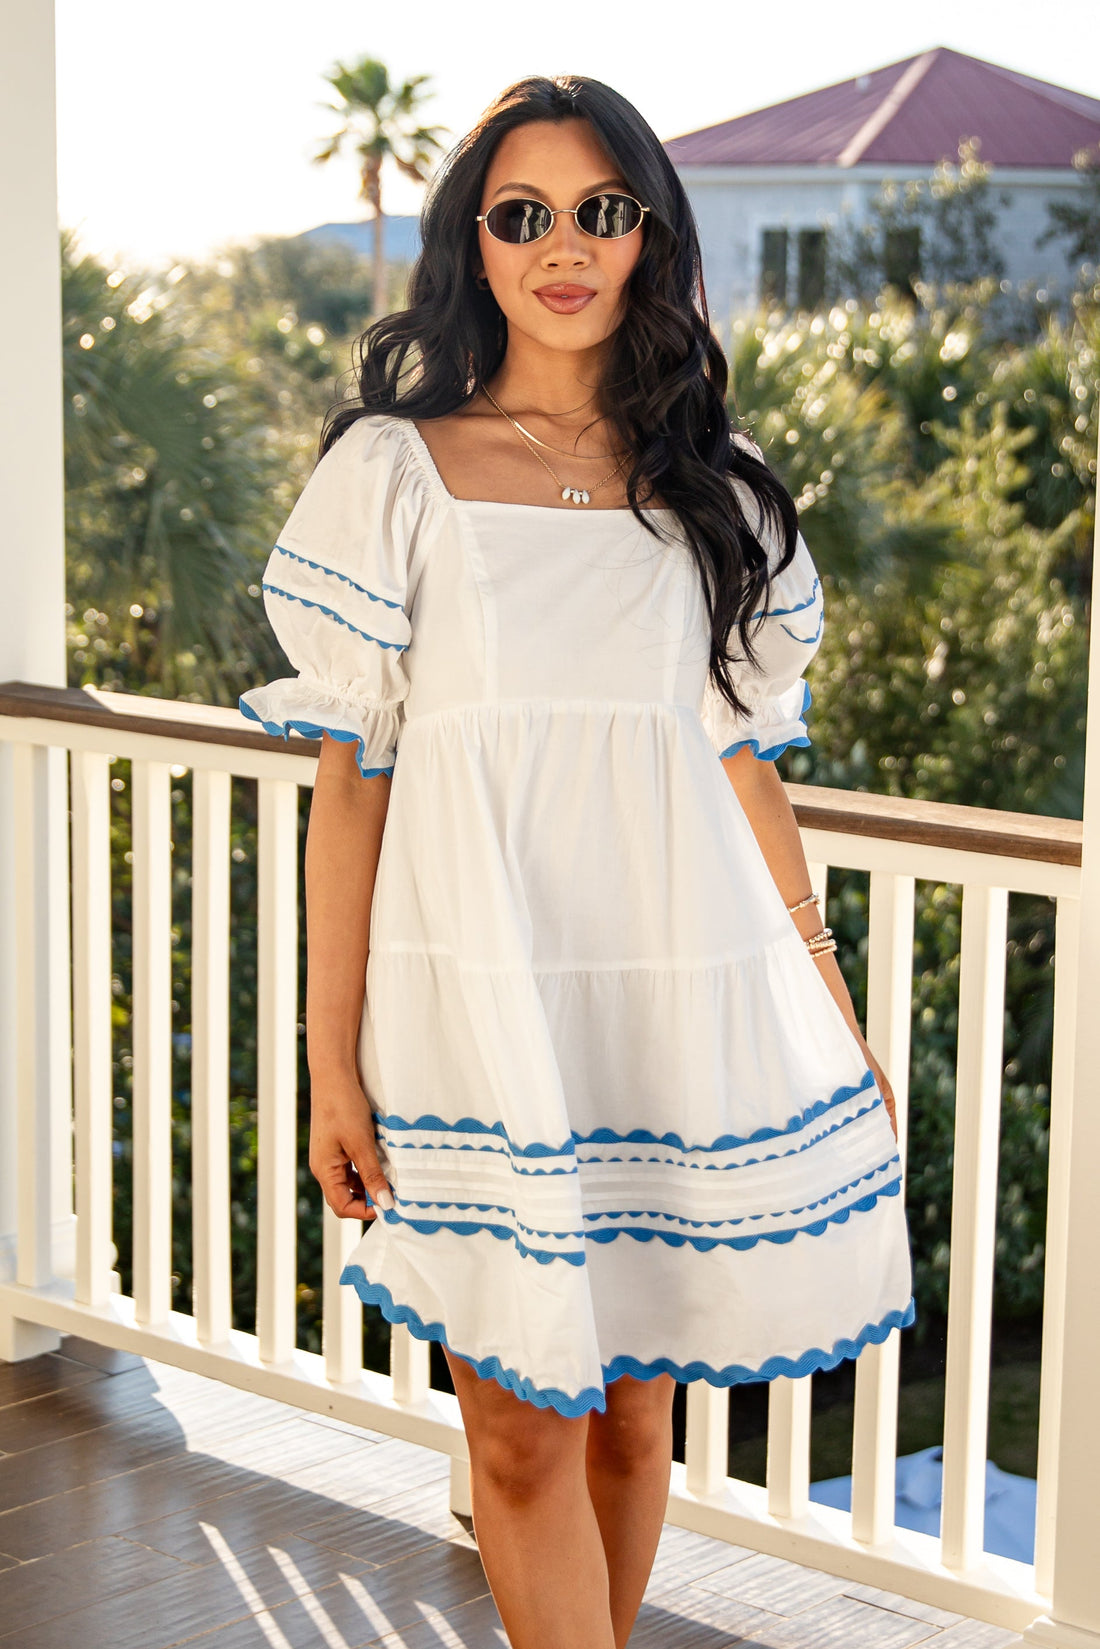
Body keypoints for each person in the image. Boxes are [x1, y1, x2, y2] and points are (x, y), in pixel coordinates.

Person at [239, 73, 915, 1649]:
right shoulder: (394, 475)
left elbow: (737, 760)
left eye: (601, 211)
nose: (563, 246)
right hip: (475, 1004)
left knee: (626, 1421)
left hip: (670, 1004)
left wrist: (830, 1002)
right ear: (473, 244)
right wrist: (330, 1066)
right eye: (522, 214)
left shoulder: (716, 493)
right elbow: (355, 786)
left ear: (649, 236)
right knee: (520, 1431)